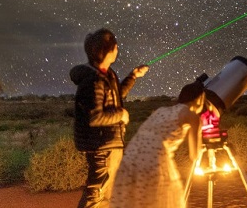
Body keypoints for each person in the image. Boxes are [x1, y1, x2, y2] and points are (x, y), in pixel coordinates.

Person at [70, 28, 149, 208]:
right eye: (115, 46)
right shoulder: (93, 80)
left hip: (108, 143)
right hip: (101, 147)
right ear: (106, 51)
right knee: (96, 194)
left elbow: (116, 96)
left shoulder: (106, 74)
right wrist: (121, 115)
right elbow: (95, 117)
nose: (117, 49)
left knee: (107, 194)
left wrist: (133, 76)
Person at [110, 78, 208, 208]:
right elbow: (195, 156)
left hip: (132, 156)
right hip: (154, 159)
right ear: (200, 99)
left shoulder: (161, 110)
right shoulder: (191, 115)